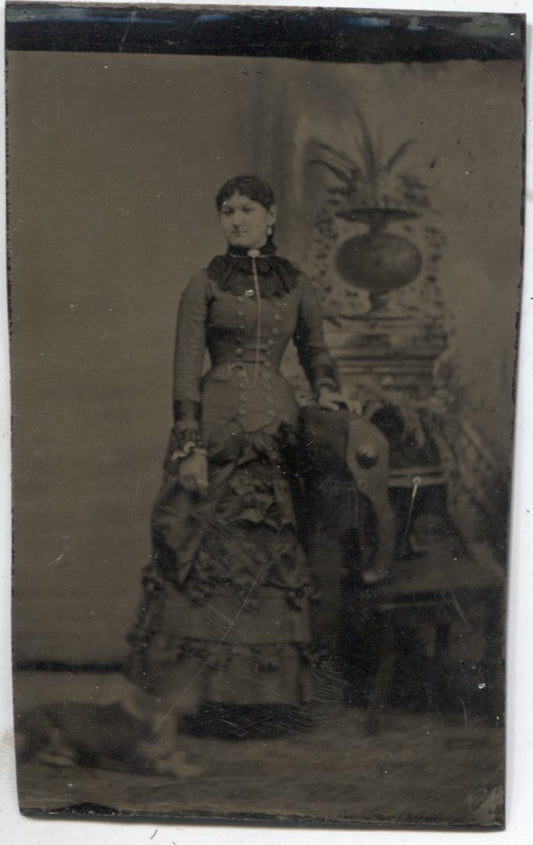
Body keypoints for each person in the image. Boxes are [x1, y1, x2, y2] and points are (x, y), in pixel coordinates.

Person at [123, 175, 348, 770]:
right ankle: (199, 699)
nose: (236, 220)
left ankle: (259, 704)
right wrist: (190, 445)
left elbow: (316, 350)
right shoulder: (203, 284)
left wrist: (326, 389)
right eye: (227, 211)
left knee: (270, 554)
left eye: (247, 209)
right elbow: (182, 372)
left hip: (278, 432)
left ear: (270, 216)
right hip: (217, 430)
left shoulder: (297, 284)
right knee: (203, 556)